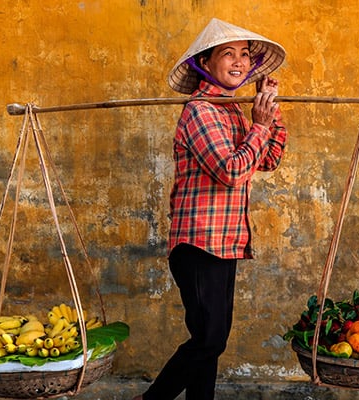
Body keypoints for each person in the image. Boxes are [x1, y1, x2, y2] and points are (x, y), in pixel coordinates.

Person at [133, 18, 288, 400]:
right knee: (210, 339)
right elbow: (232, 172)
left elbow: (267, 160)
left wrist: (270, 114)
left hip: (225, 241)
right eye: (227, 54)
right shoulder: (200, 111)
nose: (238, 62)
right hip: (199, 242)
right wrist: (260, 125)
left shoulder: (234, 111)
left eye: (244, 56)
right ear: (205, 63)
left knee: (209, 339)